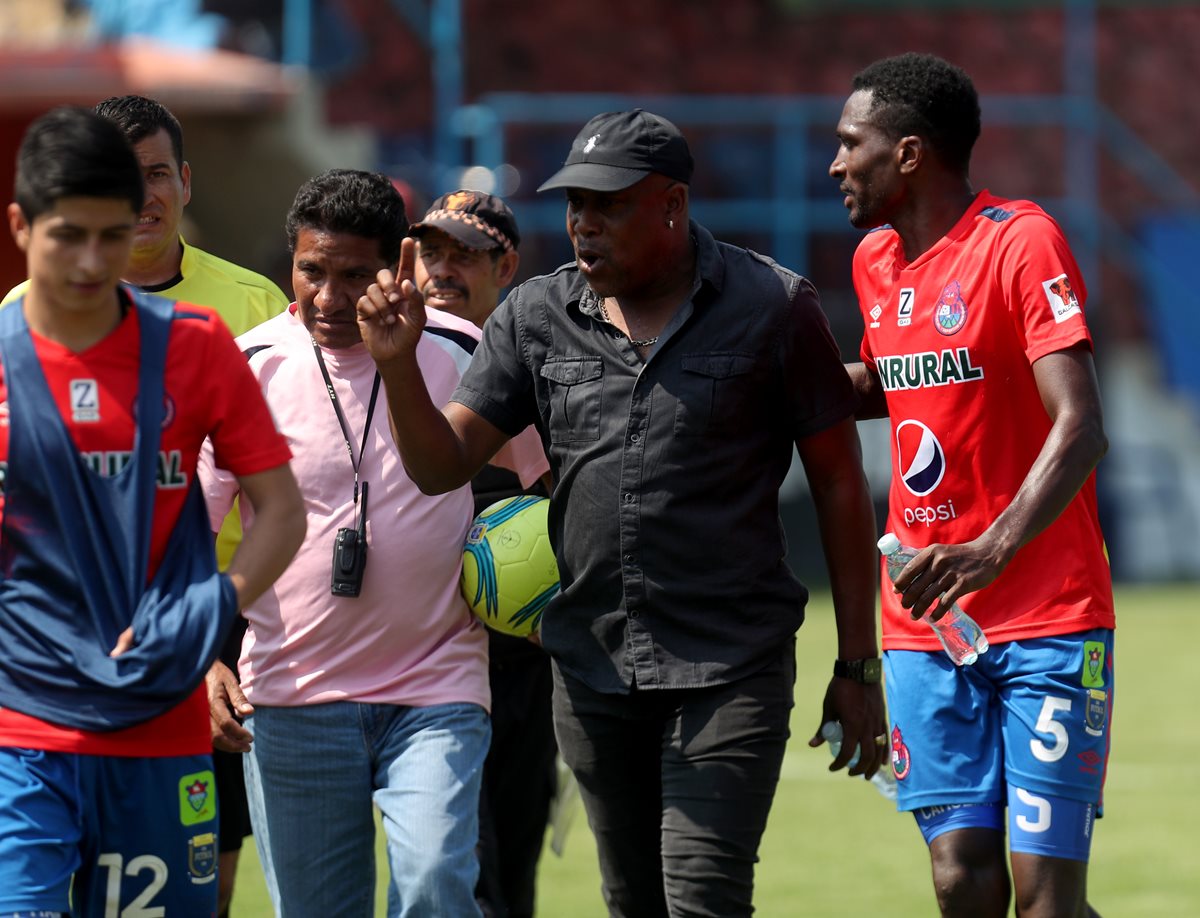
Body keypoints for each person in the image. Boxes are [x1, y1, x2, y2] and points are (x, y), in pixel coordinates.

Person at [358, 109, 885, 917]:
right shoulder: (533, 316)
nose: (583, 226)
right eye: (575, 206)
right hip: (594, 670)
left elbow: (841, 487)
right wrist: (397, 369)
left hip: (730, 666)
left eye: (608, 206)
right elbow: (440, 466)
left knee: (704, 898)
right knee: (632, 901)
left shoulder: (774, 307)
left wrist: (857, 666)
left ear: (672, 204)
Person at [199, 169, 547, 918]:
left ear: (396, 270)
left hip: (437, 686)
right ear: (289, 262)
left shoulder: (464, 350)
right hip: (288, 695)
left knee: (434, 885)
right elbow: (187, 534)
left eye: (354, 275)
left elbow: (553, 485)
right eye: (311, 270)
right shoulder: (245, 365)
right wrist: (205, 660)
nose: (327, 297)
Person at [0, 106, 304, 916]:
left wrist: (211, 613)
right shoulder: (2, 348)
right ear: (23, 226)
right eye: (73, 233)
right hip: (25, 729)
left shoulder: (202, 340)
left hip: (165, 718)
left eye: (113, 231)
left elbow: (282, 505)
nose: (98, 258)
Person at [830, 53, 1114, 917]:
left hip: (1049, 619)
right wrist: (758, 380)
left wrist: (993, 548)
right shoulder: (874, 262)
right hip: (925, 622)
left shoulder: (1020, 242)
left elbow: (1082, 424)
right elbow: (896, 380)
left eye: (851, 144)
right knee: (959, 876)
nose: (836, 165)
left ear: (909, 154)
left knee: (1046, 901)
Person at [411, 190, 556, 918]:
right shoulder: (392, 368)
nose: (440, 270)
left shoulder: (543, 364)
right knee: (454, 865)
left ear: (507, 266)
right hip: (426, 658)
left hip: (524, 660)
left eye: (462, 255)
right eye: (429, 253)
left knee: (513, 867)